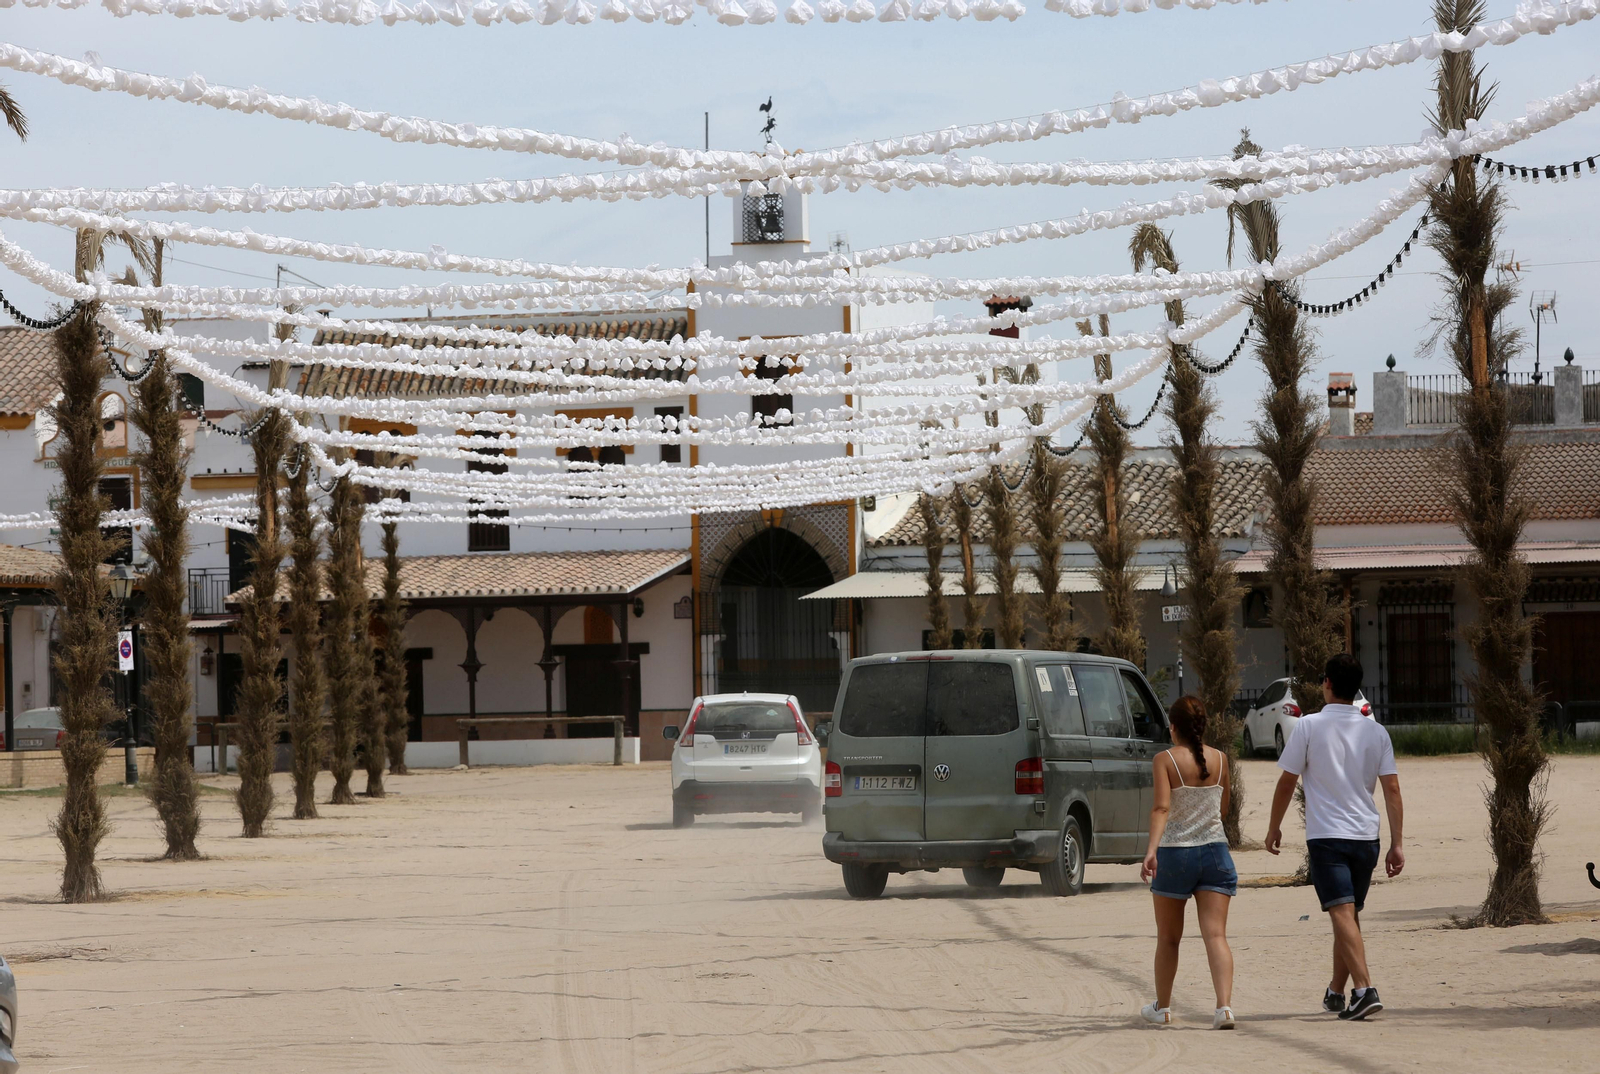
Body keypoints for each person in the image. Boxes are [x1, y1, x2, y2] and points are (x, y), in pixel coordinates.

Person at [1266, 652, 1405, 1022]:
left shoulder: (1309, 727)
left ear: (1327, 683)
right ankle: (1336, 991)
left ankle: (1364, 990)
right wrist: (1397, 843)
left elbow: (1286, 782)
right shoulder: (1376, 731)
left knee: (1342, 914)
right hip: (1366, 838)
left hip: (1327, 837)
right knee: (1349, 914)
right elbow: (1392, 790)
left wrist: (1274, 826)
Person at [1139, 696, 1238, 1030]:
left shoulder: (1165, 759)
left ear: (1173, 726)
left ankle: (1163, 1007)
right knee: (1216, 936)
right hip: (1215, 852)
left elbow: (1161, 809)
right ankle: (1224, 1007)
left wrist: (1151, 850)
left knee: (1168, 938)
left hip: (1176, 852)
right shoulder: (1222, 760)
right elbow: (1222, 811)